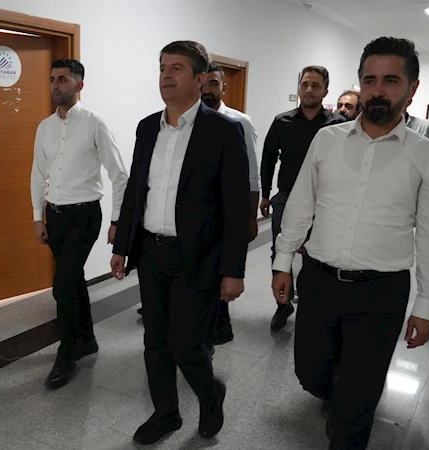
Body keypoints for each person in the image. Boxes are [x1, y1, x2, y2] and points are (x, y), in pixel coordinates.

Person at [272, 37, 429, 449]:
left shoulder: (427, 156)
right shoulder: (327, 140)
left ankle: (349, 417)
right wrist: (283, 261)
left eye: (391, 80)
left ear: (412, 88)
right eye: (370, 80)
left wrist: (427, 304)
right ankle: (339, 399)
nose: (377, 90)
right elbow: (301, 204)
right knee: (309, 372)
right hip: (319, 281)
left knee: (360, 397)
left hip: (381, 292)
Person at [110, 40, 249, 445]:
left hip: (198, 256)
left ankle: (210, 395)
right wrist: (121, 245)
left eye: (176, 69)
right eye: (162, 68)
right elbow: (137, 189)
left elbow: (236, 206)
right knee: (154, 341)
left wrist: (234, 270)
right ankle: (166, 414)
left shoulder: (224, 131)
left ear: (200, 79)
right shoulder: (146, 127)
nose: (166, 76)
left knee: (186, 345)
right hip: (152, 252)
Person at [30, 59, 129, 390]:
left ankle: (67, 353)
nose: (55, 85)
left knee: (62, 285)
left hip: (85, 215)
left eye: (63, 79)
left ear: (79, 85)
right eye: (52, 79)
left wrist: (117, 220)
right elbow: (38, 174)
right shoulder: (45, 127)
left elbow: (119, 175)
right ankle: (86, 339)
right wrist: (38, 216)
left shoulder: (94, 123)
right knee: (71, 281)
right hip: (55, 216)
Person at [260, 65, 346, 331]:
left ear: (325, 91)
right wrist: (265, 195)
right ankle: (283, 304)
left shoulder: (337, 125)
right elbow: (268, 158)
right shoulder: (282, 121)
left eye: (315, 85)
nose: (309, 90)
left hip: (324, 201)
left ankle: (312, 304)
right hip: (286, 197)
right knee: (280, 251)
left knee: (316, 253)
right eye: (305, 84)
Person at [201, 61, 260, 344]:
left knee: (221, 269)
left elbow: (251, 173)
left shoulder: (239, 122)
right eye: (204, 83)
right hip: (199, 211)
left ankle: (220, 327)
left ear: (224, 87)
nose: (207, 90)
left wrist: (250, 217)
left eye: (214, 84)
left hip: (228, 209)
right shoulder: (190, 121)